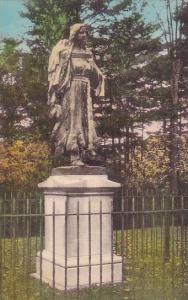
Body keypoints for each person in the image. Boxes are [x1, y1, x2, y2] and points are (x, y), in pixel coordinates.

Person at [48, 23, 105, 166]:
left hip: (85, 91)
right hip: (72, 88)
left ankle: (86, 151)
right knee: (74, 120)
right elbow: (59, 74)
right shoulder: (67, 53)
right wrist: (56, 95)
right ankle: (74, 154)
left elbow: (96, 73)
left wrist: (101, 77)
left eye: (86, 33)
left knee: (87, 120)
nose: (84, 35)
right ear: (74, 34)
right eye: (81, 33)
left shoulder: (88, 54)